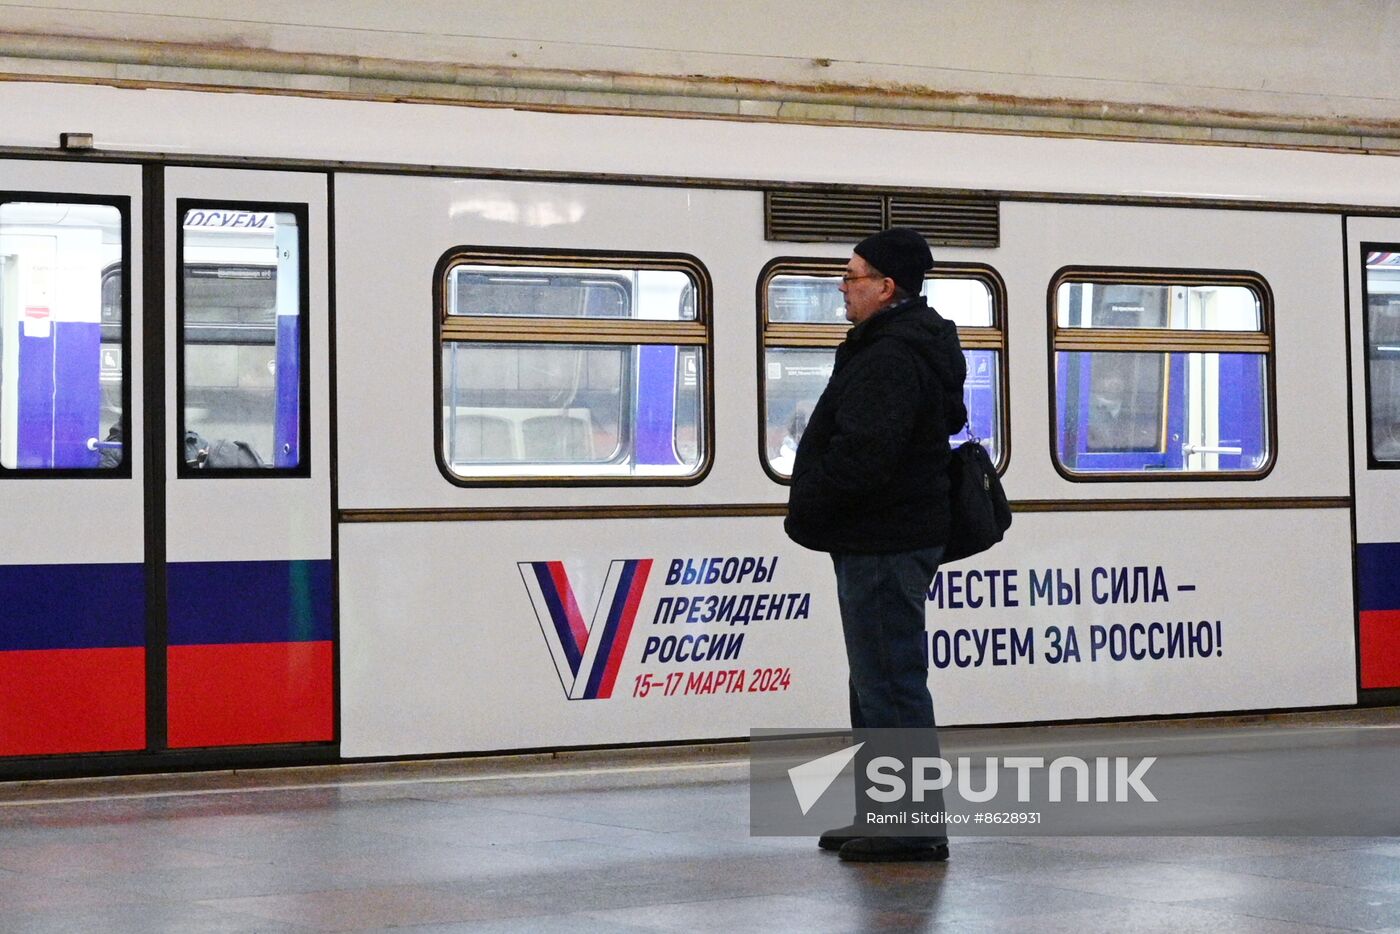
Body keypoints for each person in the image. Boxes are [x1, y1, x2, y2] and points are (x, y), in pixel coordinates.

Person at [784, 228, 967, 863]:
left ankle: (912, 825)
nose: (843, 285)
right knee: (875, 681)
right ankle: (883, 810)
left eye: (853, 275)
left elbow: (865, 456)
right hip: (880, 536)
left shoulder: (891, 355)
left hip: (884, 537)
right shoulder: (896, 344)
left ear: (886, 287)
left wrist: (813, 500)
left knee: (890, 680)